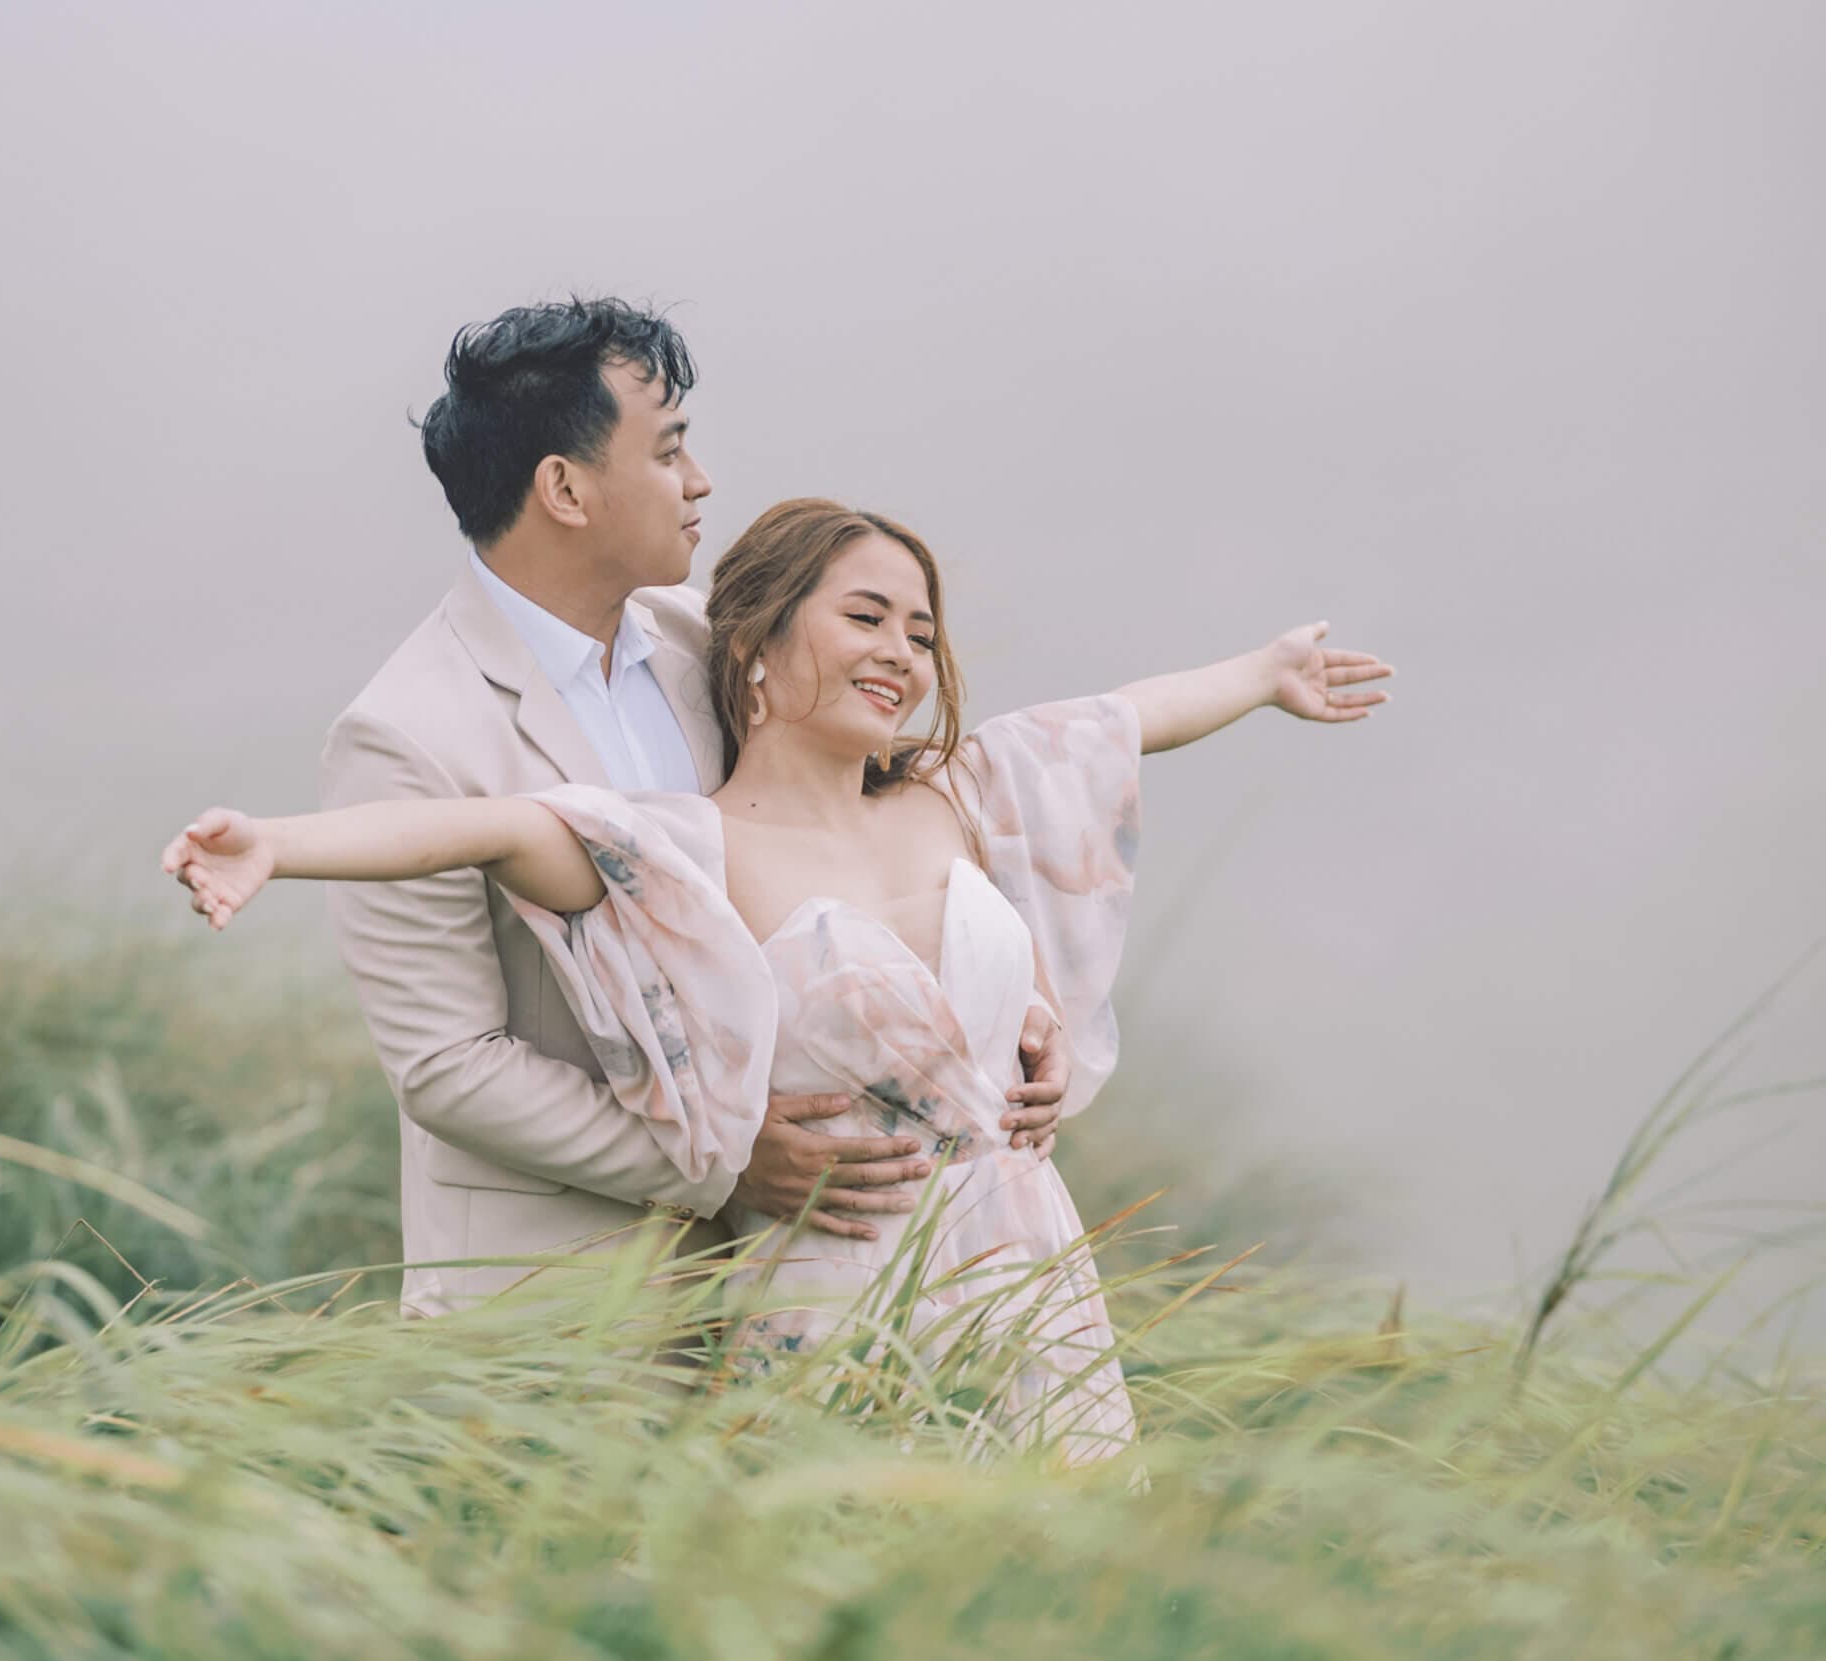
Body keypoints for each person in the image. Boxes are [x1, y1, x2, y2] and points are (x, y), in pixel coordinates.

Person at [165, 497, 1393, 1461]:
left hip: (1024, 1268)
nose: (902, 652)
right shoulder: (684, 847)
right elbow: (479, 826)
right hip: (825, 1286)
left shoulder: (949, 794)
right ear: (753, 642)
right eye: (865, 617)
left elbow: (1122, 718)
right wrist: (279, 842)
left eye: (920, 630)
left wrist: (1262, 673)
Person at [310, 299, 1079, 1324]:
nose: (700, 479)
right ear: (565, 488)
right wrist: (715, 1156)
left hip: (803, 1275)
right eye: (669, 450)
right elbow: (447, 1065)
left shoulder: (714, 642)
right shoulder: (406, 732)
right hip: (560, 1300)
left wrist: (1006, 1008)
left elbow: (844, 840)